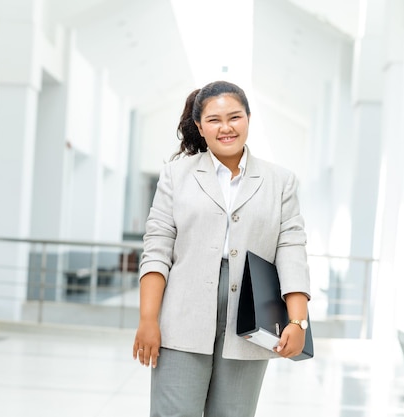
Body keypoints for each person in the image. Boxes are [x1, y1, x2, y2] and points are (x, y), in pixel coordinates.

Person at [132, 80, 311, 417]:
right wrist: (147, 318)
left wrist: (298, 322)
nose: (226, 127)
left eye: (235, 117)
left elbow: (291, 249)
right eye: (214, 120)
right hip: (181, 317)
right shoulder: (175, 175)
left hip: (252, 319)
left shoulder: (280, 182)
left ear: (248, 118)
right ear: (199, 126)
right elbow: (157, 249)